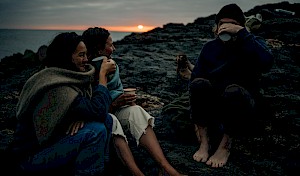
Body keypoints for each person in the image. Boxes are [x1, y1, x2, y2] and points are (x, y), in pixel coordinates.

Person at [8, 32, 116, 175]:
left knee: (107, 121)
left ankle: (100, 168)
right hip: (30, 157)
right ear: (67, 57)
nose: (86, 60)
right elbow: (98, 110)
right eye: (81, 55)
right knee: (95, 131)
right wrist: (102, 78)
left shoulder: (65, 77)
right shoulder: (57, 87)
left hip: (52, 143)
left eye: (86, 55)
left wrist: (82, 117)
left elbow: (89, 110)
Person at [82, 27, 185, 176]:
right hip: (101, 115)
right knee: (112, 121)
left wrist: (123, 100)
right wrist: (115, 102)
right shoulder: (84, 72)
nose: (114, 48)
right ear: (99, 49)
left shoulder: (111, 65)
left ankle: (165, 167)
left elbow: (116, 90)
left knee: (136, 111)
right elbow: (95, 110)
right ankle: (137, 173)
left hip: (114, 108)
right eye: (110, 45)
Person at [189, 3, 274, 168]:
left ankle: (225, 146)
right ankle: (204, 142)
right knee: (198, 84)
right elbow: (195, 80)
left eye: (233, 24)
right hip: (216, 104)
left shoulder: (252, 44)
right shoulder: (210, 47)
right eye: (223, 24)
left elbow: (267, 62)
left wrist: (242, 35)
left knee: (233, 91)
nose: (227, 28)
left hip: (241, 104)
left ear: (241, 26)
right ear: (217, 27)